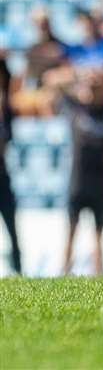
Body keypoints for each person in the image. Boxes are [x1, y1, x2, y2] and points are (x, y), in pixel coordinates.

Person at [61, 70, 103, 276]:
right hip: (77, 178)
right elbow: (50, 83)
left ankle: (98, 272)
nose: (91, 89)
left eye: (96, 86)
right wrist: (79, 78)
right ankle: (64, 270)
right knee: (71, 228)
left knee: (99, 232)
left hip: (100, 179)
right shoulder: (75, 108)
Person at [0, 61, 21, 275]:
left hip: (2, 177)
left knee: (12, 230)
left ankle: (18, 268)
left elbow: (6, 141)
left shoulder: (7, 112)